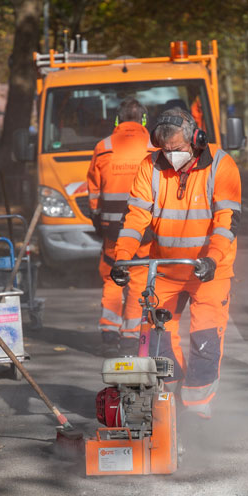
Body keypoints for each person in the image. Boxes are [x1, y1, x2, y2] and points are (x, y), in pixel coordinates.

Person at [109, 107, 241, 419]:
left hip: (209, 270)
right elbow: (135, 218)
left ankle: (197, 407)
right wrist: (122, 258)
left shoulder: (221, 165)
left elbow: (227, 220)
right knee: (159, 339)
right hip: (165, 268)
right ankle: (169, 403)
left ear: (196, 140)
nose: (171, 156)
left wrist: (212, 259)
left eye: (178, 149)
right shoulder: (150, 166)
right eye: (165, 150)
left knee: (205, 338)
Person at [86, 97, 154, 356]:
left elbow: (93, 190)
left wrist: (97, 219)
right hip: (144, 229)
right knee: (138, 279)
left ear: (117, 119)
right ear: (144, 120)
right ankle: (130, 336)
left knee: (113, 277)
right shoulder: (154, 147)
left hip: (112, 228)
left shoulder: (103, 147)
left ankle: (109, 332)